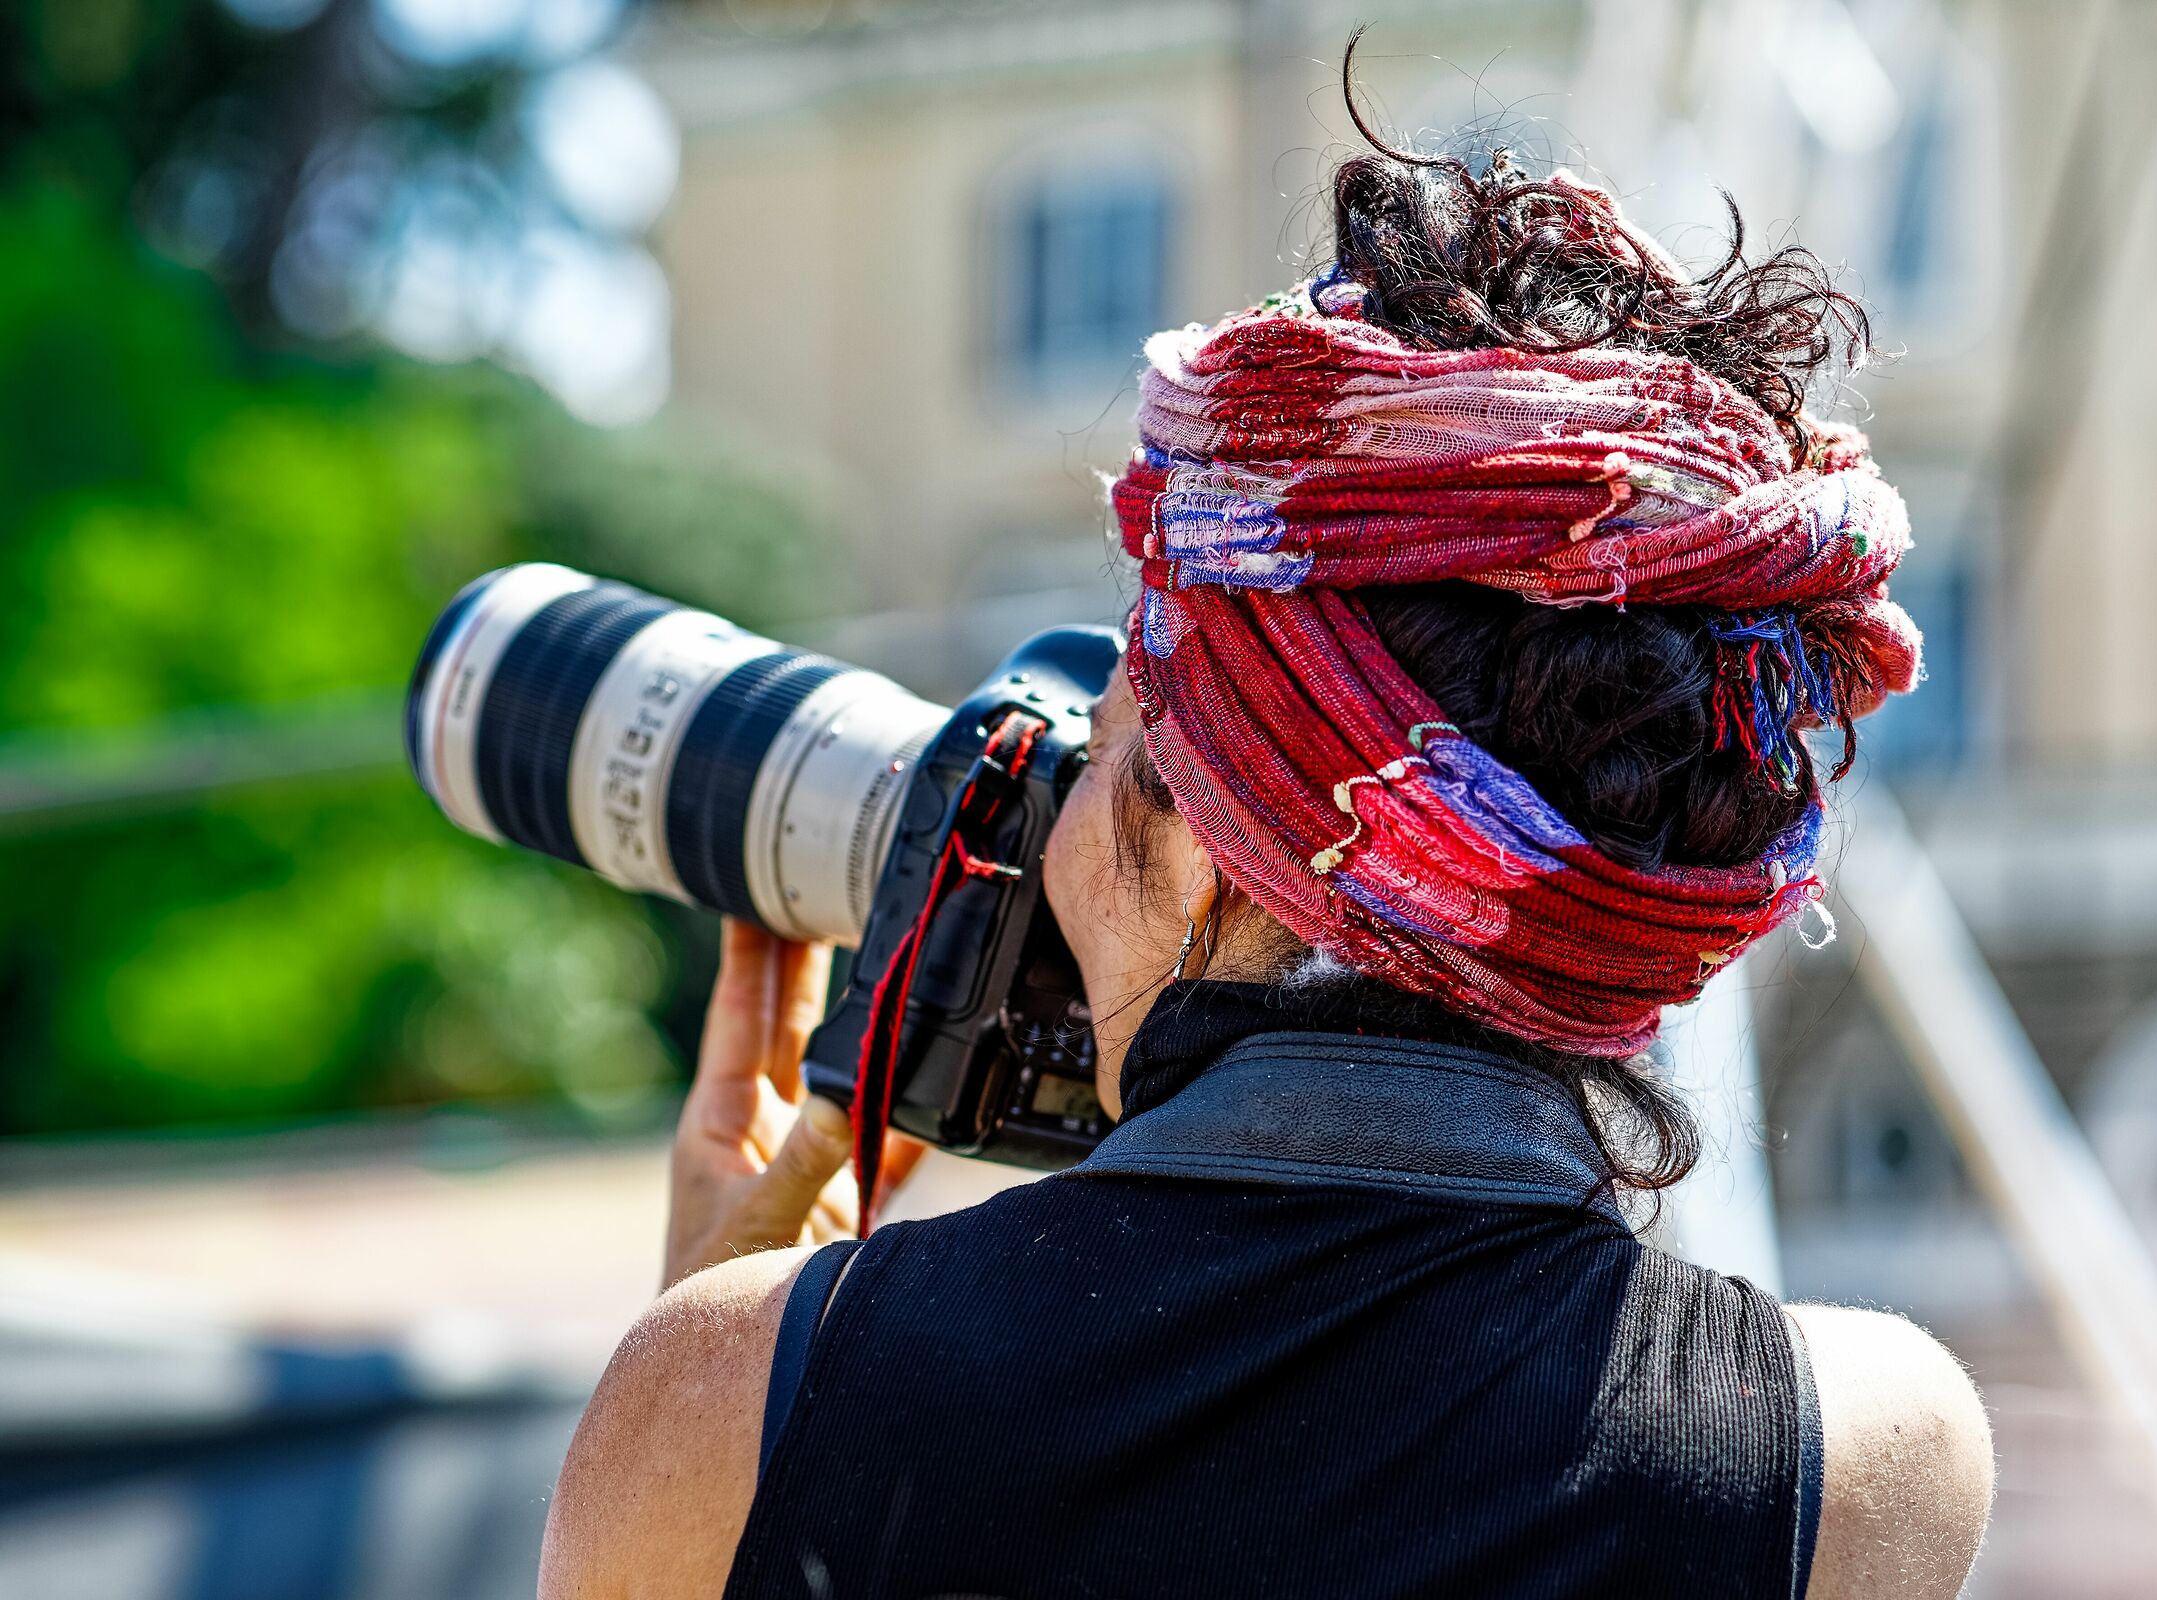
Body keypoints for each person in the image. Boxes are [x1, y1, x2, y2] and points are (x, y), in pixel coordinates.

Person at [539, 88, 1995, 1600]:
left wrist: (737, 1350)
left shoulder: (730, 1406)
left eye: (1102, 763)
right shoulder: (1864, 1454)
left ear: (1216, 852)